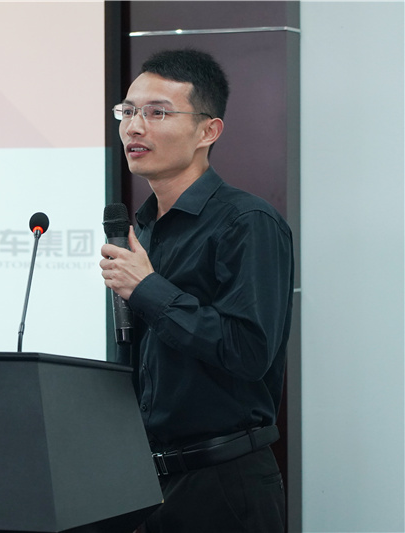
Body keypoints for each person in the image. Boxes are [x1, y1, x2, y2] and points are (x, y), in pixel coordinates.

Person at [100, 49, 294, 533]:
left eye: (157, 113)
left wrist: (147, 288)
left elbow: (248, 351)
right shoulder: (143, 229)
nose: (134, 128)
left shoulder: (247, 222)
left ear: (208, 131)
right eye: (128, 111)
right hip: (144, 482)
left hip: (224, 485)